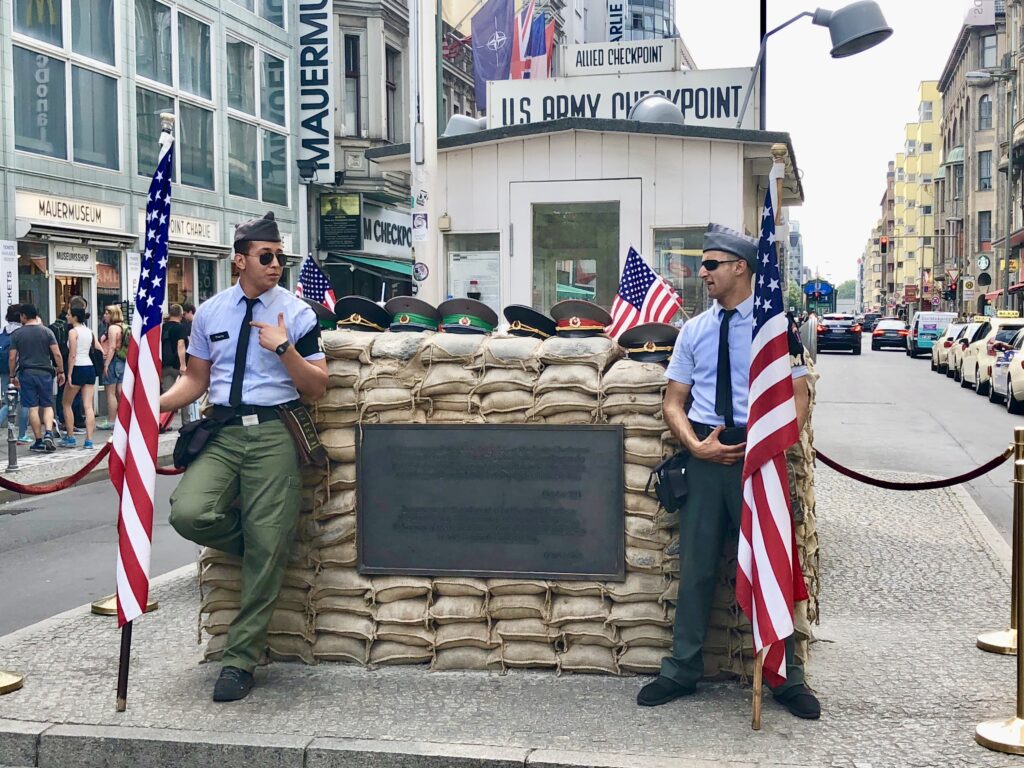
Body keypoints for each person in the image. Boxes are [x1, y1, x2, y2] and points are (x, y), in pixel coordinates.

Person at [636, 223, 821, 720]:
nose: (703, 273)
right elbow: (673, 400)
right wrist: (695, 445)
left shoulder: (774, 329)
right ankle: (680, 671)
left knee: (770, 569)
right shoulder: (694, 330)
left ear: (741, 267)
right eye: (702, 265)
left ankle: (787, 679)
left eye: (711, 264)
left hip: (756, 459)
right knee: (695, 569)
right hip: (704, 458)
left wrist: (767, 445)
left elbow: (798, 397)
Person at [161, 212, 327, 702]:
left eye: (281, 257)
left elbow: (317, 386)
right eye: (266, 256)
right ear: (240, 259)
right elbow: (195, 379)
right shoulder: (210, 312)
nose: (276, 265)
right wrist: (153, 405)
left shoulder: (297, 314)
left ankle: (239, 660)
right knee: (190, 512)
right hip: (224, 431)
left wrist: (285, 350)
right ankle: (262, 548)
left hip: (276, 430)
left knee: (266, 545)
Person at [8, 304, 63, 453]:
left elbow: (12, 357)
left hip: (27, 373)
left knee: (32, 407)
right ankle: (49, 433)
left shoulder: (18, 334)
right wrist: (61, 371)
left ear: (24, 316)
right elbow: (57, 354)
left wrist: (12, 375)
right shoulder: (47, 332)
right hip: (45, 373)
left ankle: (38, 440)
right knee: (47, 405)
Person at [60, 307, 102, 449]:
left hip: (78, 366)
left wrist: (69, 374)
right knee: (88, 405)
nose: (67, 316)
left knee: (66, 403)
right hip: (89, 367)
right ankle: (89, 440)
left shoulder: (73, 332)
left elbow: (72, 354)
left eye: (69, 314)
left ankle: (70, 437)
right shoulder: (89, 331)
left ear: (75, 317)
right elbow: (98, 348)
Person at [51, 297, 88, 436]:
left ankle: (68, 425)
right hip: (76, 364)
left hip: (68, 363)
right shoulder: (76, 330)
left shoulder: (56, 326)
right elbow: (72, 352)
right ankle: (74, 426)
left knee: (66, 396)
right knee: (78, 399)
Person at [0, 304, 30, 441]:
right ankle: (22, 434)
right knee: (24, 402)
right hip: (20, 370)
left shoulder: (3, 331)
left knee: (8, 402)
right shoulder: (23, 332)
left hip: (5, 371)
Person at [98, 304, 127, 430]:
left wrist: (106, 364)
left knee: (110, 392)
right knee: (120, 390)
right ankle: (124, 417)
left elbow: (112, 347)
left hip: (113, 361)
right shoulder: (123, 326)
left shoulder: (112, 328)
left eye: (107, 313)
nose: (104, 315)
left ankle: (111, 420)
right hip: (122, 361)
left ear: (113, 314)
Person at [161, 303, 189, 397]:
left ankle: (171, 412)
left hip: (165, 365)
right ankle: (185, 412)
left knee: (168, 394)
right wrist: (183, 365)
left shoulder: (163, 327)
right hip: (178, 365)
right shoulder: (180, 328)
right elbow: (181, 345)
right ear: (181, 315)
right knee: (184, 393)